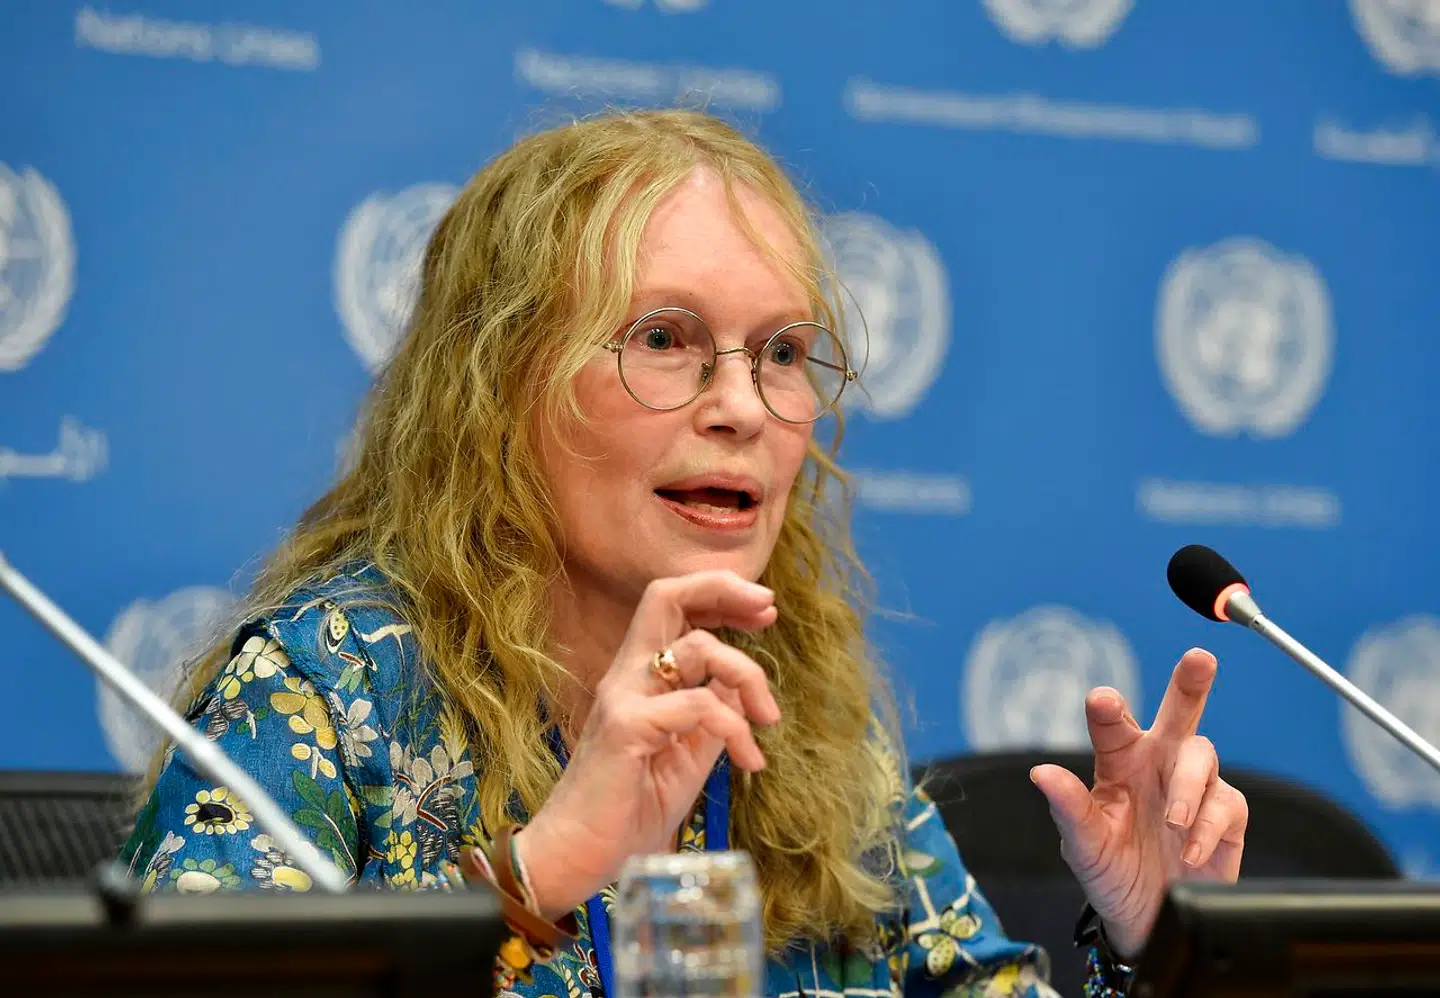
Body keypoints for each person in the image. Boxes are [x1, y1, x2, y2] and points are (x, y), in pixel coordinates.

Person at [121, 108, 1248, 998]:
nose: (743, 406)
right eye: (665, 338)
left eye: (783, 352)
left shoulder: (803, 710)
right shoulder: (320, 687)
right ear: (492, 389)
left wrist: (1158, 949)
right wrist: (540, 876)